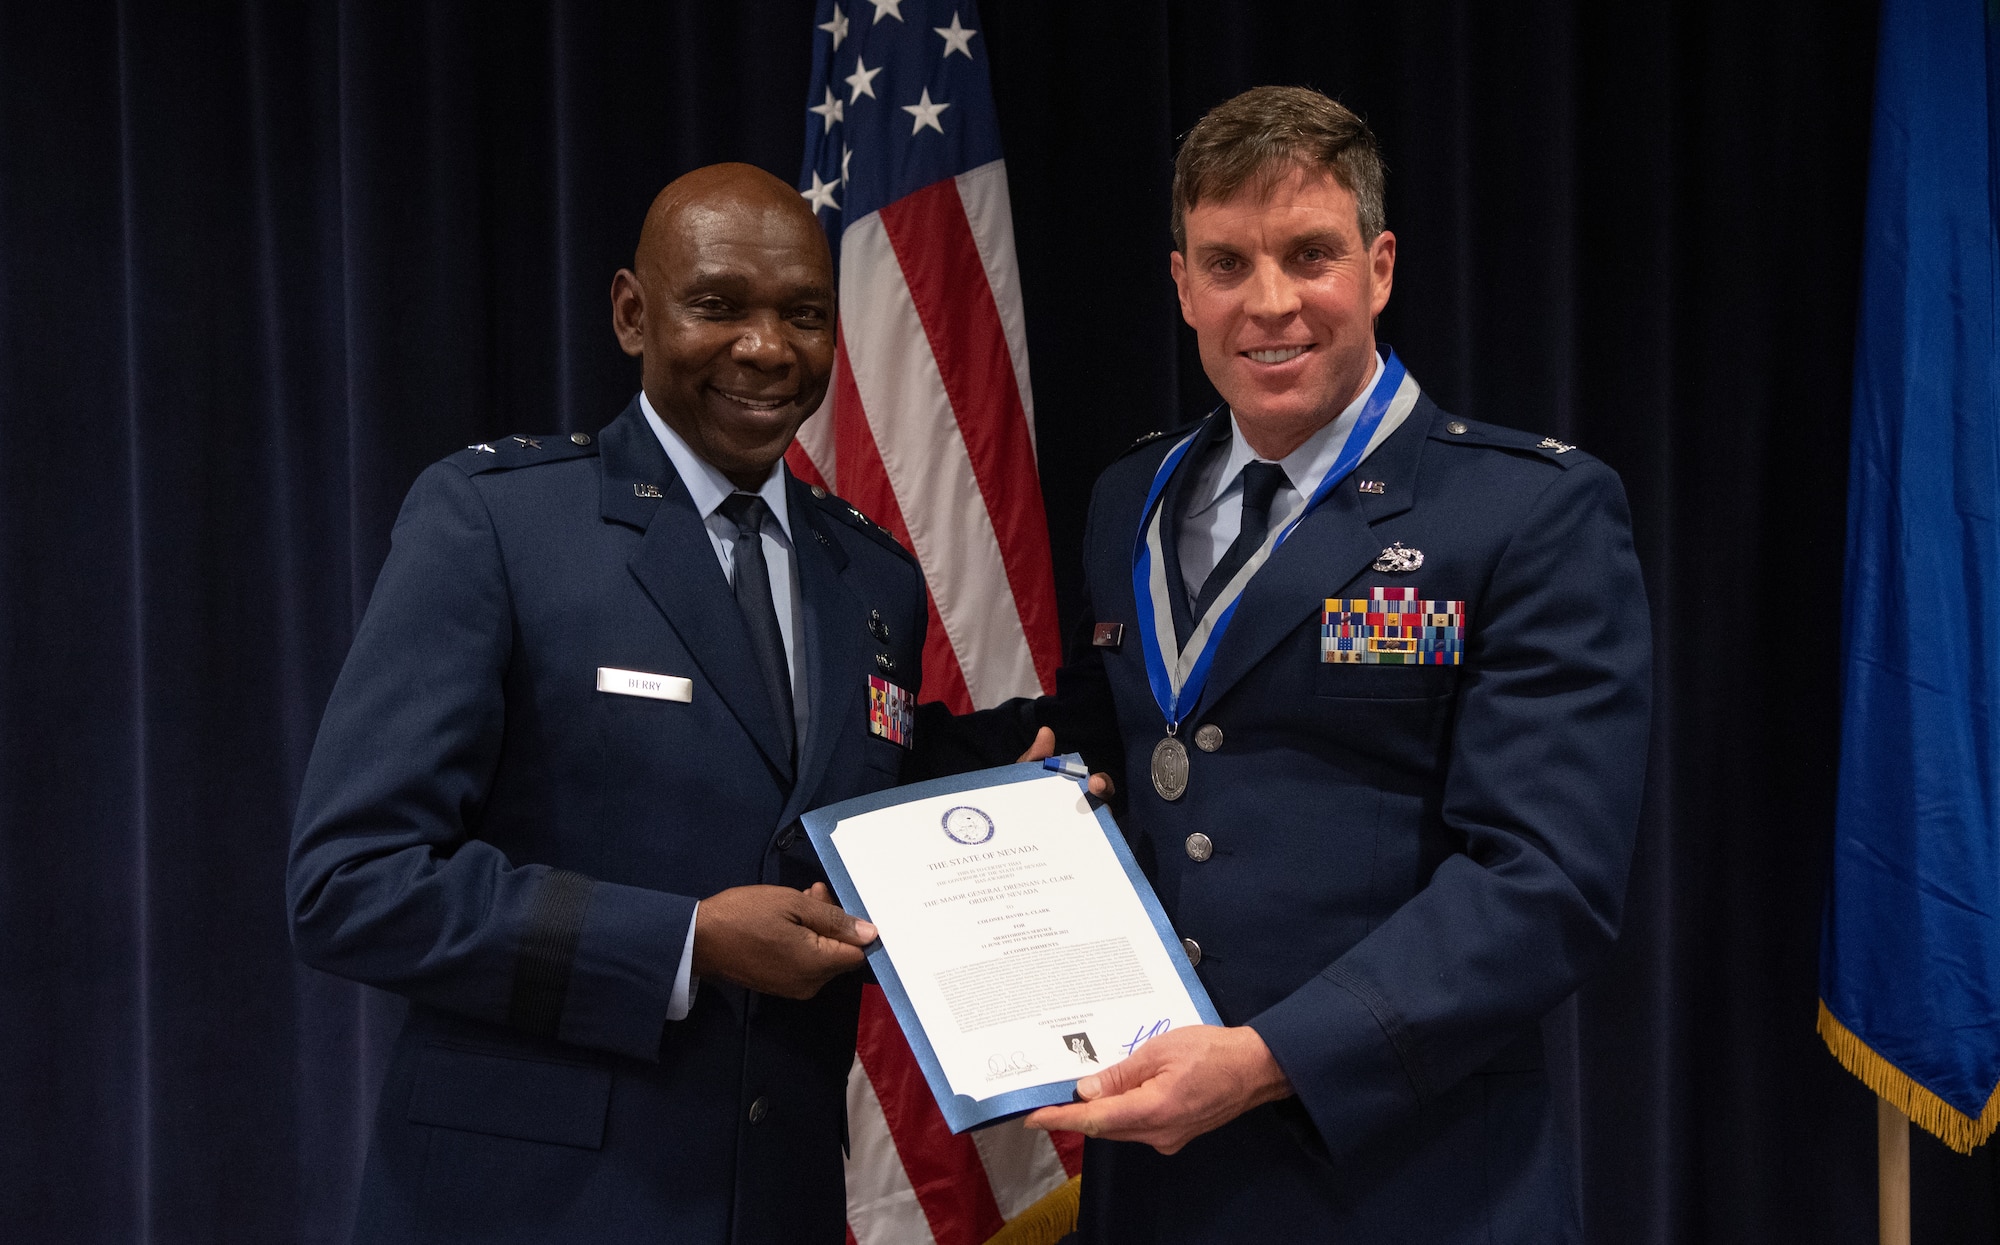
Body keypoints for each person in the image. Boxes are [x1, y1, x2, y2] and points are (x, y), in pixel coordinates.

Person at [978, 86, 1651, 1241]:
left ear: (1378, 268)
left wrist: (1265, 1059)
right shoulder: (1122, 499)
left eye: (1310, 255)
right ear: (1181, 282)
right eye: (1227, 263)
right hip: (1157, 1177)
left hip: (1409, 1180)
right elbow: (1119, 741)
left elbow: (1544, 884)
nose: (1270, 302)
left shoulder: (1524, 512)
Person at [288, 163, 940, 1244]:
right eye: (719, 306)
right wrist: (683, 941)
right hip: (525, 1210)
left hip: (772, 1205)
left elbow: (839, 821)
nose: (766, 349)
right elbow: (351, 885)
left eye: (803, 315)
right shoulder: (498, 526)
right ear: (632, 313)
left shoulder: (872, 580)